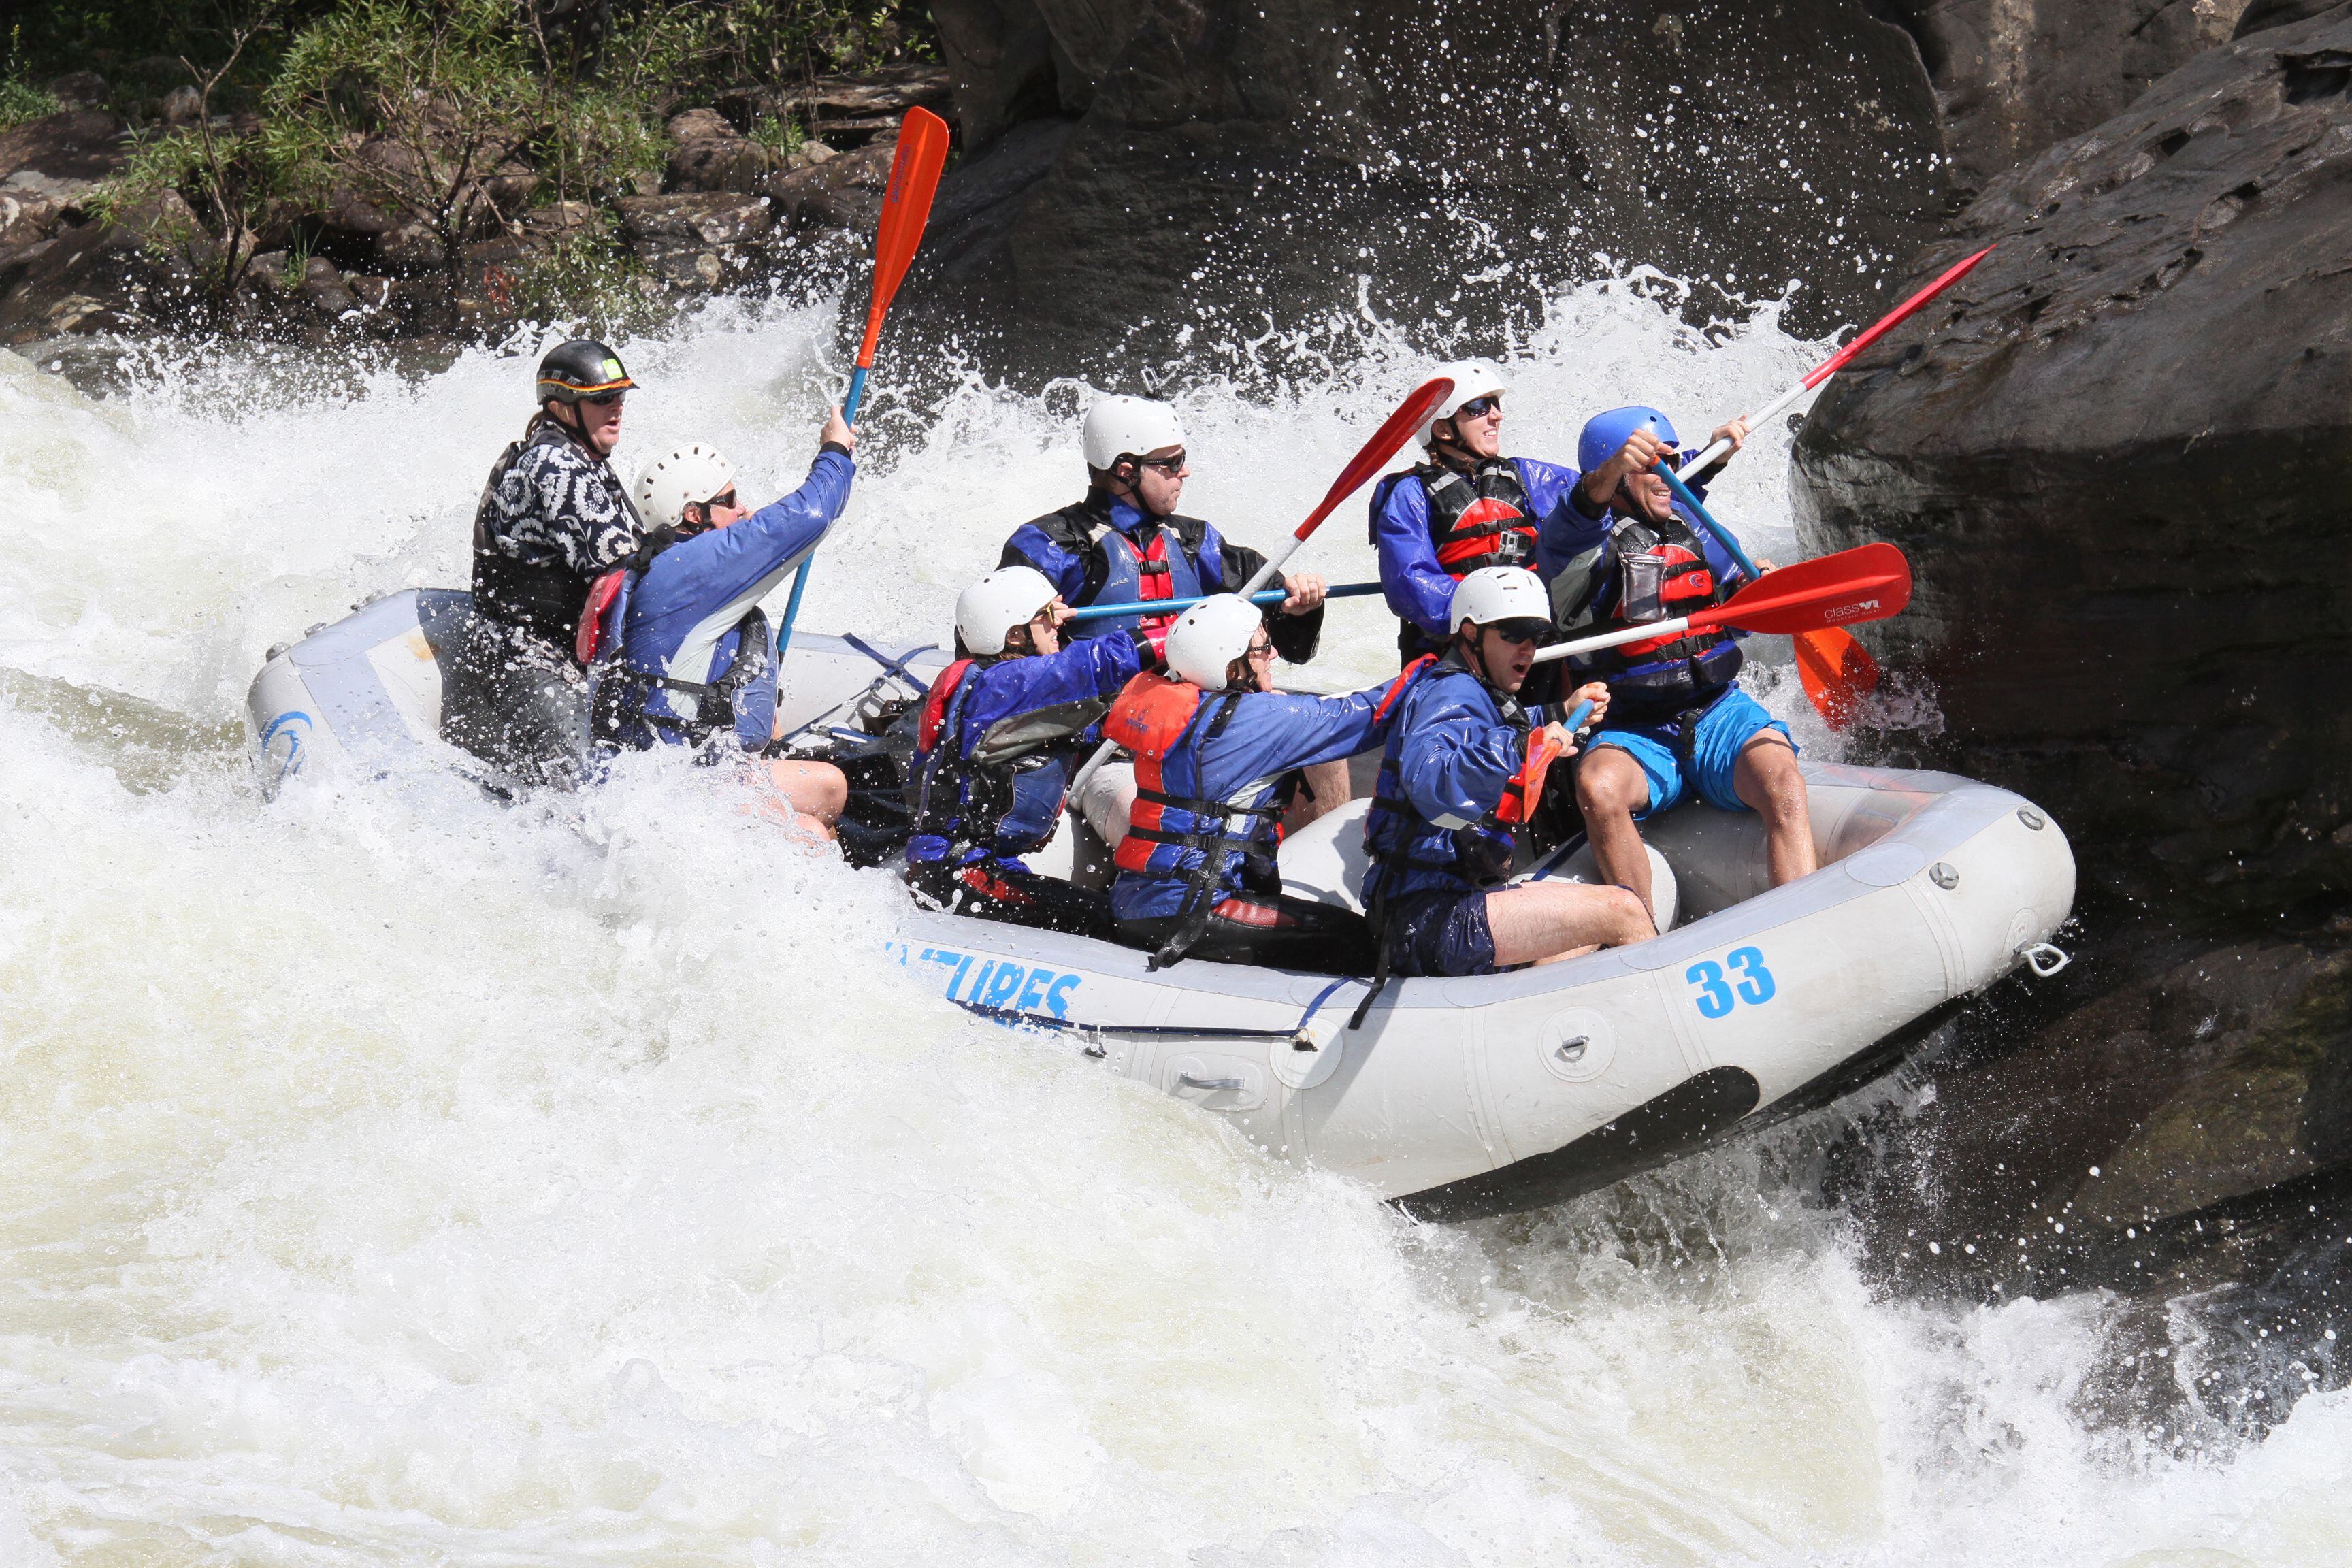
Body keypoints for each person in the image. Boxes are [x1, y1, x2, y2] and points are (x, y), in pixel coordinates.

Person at [1000, 394, 1342, 848]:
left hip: (1202, 728)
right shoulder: (1051, 547)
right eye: (1171, 462)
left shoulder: (1196, 541)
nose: (1186, 471)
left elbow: (1291, 647)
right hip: (1109, 751)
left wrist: (1299, 607)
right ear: (1125, 470)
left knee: (1325, 749)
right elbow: (1000, 668)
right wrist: (1039, 626)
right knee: (1150, 818)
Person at [1548, 405, 1816, 920]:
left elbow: (1738, 618)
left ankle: (1802, 924)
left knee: (1784, 780)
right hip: (1635, 730)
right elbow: (1577, 519)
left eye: (1673, 459)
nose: (1670, 473)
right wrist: (1608, 472)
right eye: (1654, 463)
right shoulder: (1576, 551)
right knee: (1596, 785)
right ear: (1615, 474)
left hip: (1717, 713)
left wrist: (1755, 591)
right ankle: (1639, 933)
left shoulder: (1695, 526)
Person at [1361, 568, 1654, 981]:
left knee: (1581, 933)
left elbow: (1500, 725)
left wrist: (1560, 712)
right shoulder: (1452, 693)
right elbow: (1430, 777)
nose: (1528, 649)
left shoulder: (1473, 689)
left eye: (1537, 637)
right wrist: (1519, 749)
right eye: (1515, 634)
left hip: (1439, 906)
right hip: (1428, 917)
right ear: (1470, 634)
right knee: (1625, 911)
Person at [581, 411, 856, 838]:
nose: (743, 508)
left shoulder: (667, 563)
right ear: (694, 514)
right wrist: (835, 449)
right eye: (729, 501)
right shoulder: (695, 568)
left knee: (820, 802)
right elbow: (813, 515)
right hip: (673, 782)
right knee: (822, 805)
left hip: (660, 771)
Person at [1105, 595, 1409, 973]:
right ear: (1232, 666)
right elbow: (1368, 714)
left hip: (1138, 899)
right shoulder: (1256, 719)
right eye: (1263, 648)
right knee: (1353, 937)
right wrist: (1441, 669)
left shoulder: (1180, 711)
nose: (1275, 654)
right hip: (1192, 908)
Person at [903, 566, 1158, 937]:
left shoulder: (1006, 687)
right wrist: (1192, 636)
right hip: (959, 872)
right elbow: (1102, 662)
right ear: (1016, 634)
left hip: (982, 865)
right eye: (1048, 616)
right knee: (1110, 921)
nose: (1060, 624)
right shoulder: (1001, 685)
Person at [444, 339, 649, 789]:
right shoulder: (555, 465)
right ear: (561, 407)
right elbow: (620, 564)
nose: (617, 408)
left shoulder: (581, 457)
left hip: (561, 659)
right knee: (576, 798)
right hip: (528, 663)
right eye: (602, 400)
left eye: (620, 397)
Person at [1367, 359, 1585, 668]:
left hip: (1535, 640)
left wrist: (1653, 461)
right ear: (1442, 429)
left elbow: (1593, 495)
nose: (1497, 415)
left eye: (1495, 405)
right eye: (1479, 407)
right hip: (1461, 653)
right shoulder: (1410, 495)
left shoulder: (1527, 477)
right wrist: (1496, 613)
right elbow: (1410, 585)